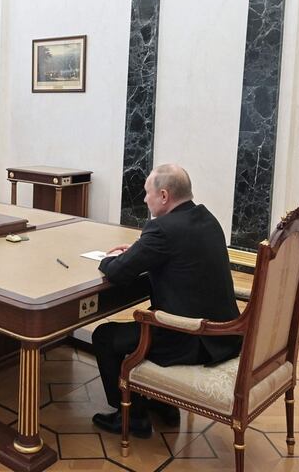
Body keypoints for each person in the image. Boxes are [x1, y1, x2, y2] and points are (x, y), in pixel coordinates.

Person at [91, 164, 242, 438]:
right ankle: (164, 405)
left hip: (191, 337)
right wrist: (140, 250)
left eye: (147, 192)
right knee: (145, 320)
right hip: (226, 336)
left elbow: (118, 272)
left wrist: (109, 258)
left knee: (104, 336)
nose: (144, 199)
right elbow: (180, 254)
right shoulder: (207, 218)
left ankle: (132, 417)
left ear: (163, 195)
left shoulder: (161, 229)